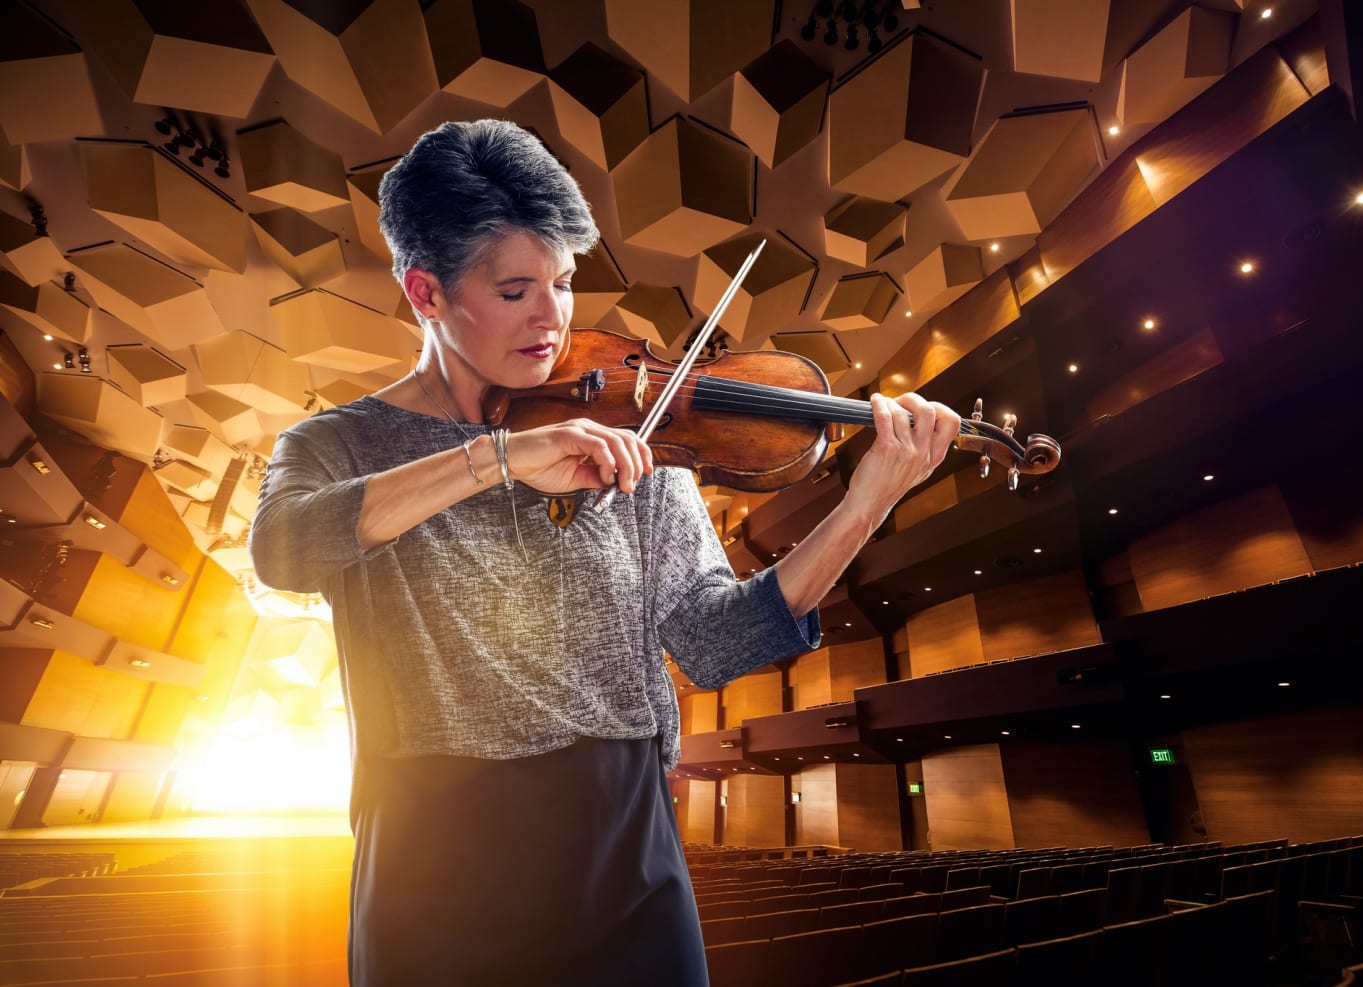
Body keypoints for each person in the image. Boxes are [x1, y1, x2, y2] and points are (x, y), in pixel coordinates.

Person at [249, 118, 961, 986]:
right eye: (514, 291)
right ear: (424, 293)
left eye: (563, 283)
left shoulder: (633, 425)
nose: (551, 319)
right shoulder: (341, 443)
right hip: (431, 851)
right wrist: (498, 459)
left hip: (627, 841)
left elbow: (714, 640)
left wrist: (868, 500)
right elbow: (285, 548)